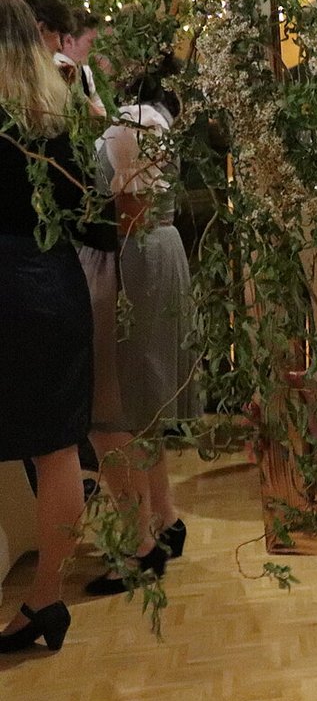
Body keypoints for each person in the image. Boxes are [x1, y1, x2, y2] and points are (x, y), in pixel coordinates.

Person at [0, 0, 93, 654]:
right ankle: (47, 595)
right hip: (55, 281)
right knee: (57, 450)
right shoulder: (55, 108)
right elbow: (84, 207)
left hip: (7, 287)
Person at [84, 62, 191, 595]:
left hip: (135, 254)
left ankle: (137, 543)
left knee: (112, 405)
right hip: (151, 250)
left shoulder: (134, 120)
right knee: (139, 400)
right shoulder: (151, 119)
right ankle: (164, 519)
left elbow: (130, 208)